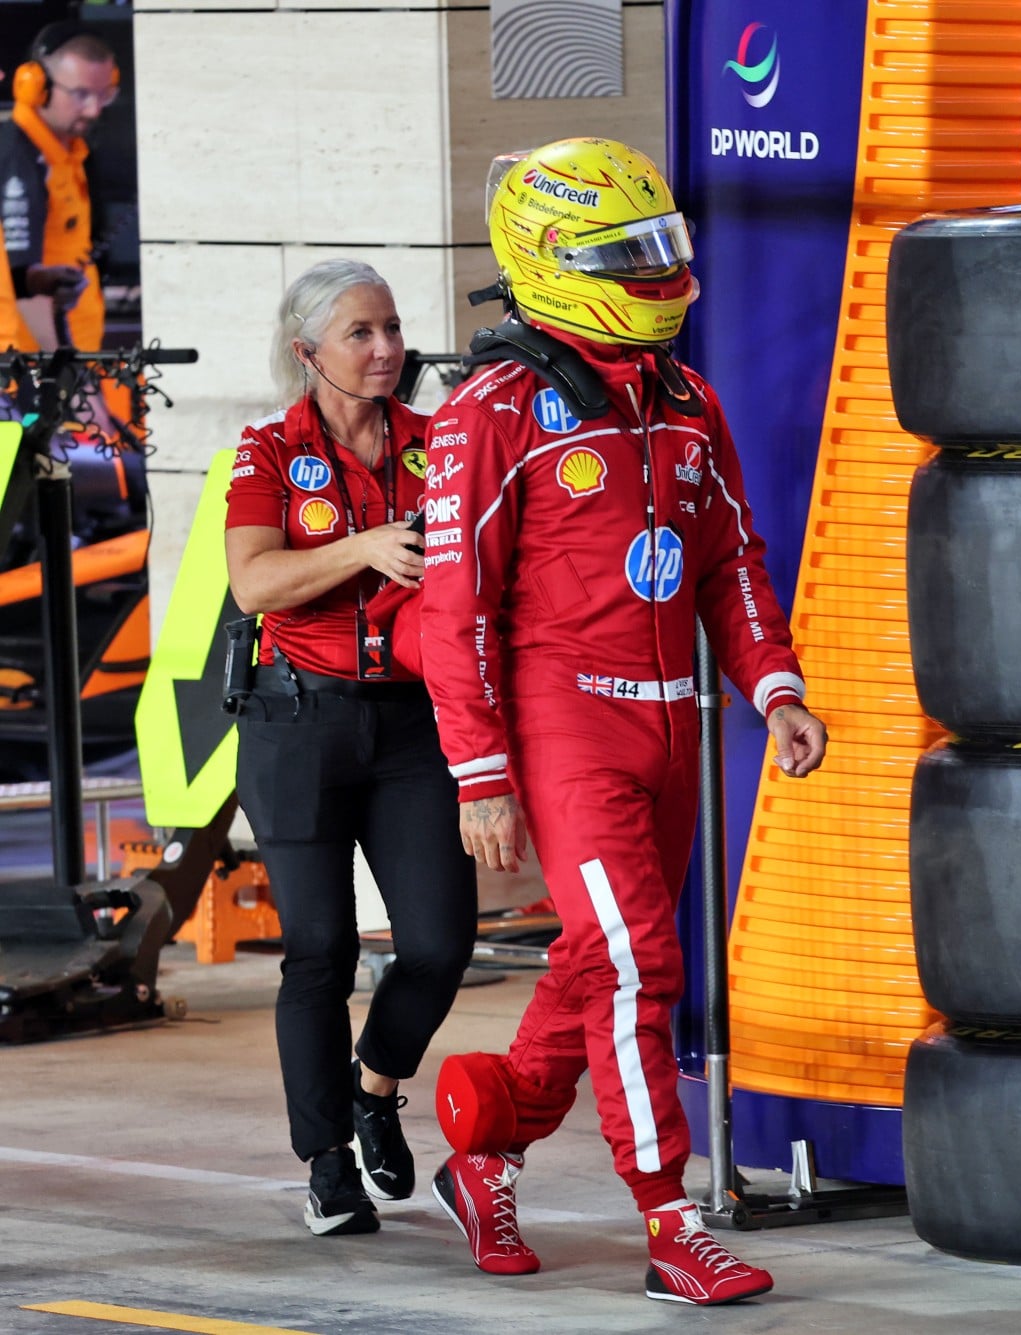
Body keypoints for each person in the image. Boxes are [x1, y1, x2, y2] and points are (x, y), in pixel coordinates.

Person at [422, 137, 827, 1307]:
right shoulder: (489, 412)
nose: (656, 270)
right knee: (642, 963)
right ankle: (669, 1219)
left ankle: (488, 1143)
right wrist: (479, 771)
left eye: (661, 246)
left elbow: (732, 562)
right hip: (568, 730)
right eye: (626, 254)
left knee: (597, 960)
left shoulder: (687, 401)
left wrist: (775, 687)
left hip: (671, 735)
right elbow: (453, 610)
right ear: (550, 260)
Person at [224, 259, 477, 1237]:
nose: (386, 349)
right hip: (298, 721)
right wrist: (362, 549)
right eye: (361, 334)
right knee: (319, 950)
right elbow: (254, 583)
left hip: (412, 724)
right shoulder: (267, 449)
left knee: (439, 944)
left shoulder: (438, 440)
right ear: (308, 353)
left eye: (393, 329)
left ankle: (375, 1086)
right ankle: (326, 1162)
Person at [0, 21, 116, 350]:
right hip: (32, 362)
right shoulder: (19, 158)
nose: (93, 109)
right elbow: (22, 279)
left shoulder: (70, 154)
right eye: (81, 94)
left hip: (71, 354)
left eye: (105, 94)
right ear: (37, 86)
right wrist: (61, 367)